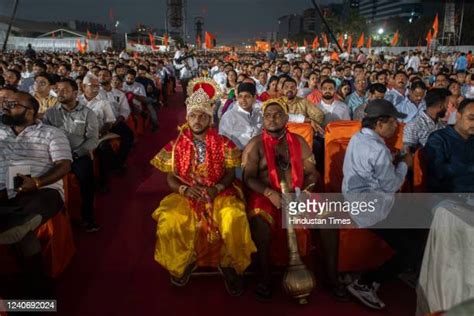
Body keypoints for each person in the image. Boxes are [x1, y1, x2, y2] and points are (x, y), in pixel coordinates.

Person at [150, 86, 256, 296]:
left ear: (210, 119)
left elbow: (228, 172)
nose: (197, 120)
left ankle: (230, 265)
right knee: (170, 219)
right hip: (187, 193)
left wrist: (217, 187)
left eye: (202, 116)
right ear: (187, 118)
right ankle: (184, 262)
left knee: (233, 217)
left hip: (220, 192)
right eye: (193, 115)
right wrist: (184, 189)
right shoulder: (176, 144)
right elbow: (170, 176)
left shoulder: (223, 142)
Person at [243, 99, 341, 300]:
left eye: (277, 114)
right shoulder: (255, 144)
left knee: (329, 216)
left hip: (298, 194)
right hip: (267, 196)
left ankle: (332, 277)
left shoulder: (299, 141)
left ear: (287, 118)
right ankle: (265, 277)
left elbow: (312, 173)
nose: (272, 118)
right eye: (268, 115)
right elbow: (249, 178)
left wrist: (304, 193)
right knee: (260, 223)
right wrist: (270, 193)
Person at [342, 99, 415, 310]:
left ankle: (405, 268)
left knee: (417, 224)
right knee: (413, 249)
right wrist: (403, 164)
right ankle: (364, 282)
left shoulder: (359, 138)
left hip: (358, 199)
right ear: (380, 123)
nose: (397, 126)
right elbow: (392, 185)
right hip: (372, 208)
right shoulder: (378, 148)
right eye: (393, 122)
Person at [0, 91, 71, 296]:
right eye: (5, 104)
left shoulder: (52, 133)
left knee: (31, 210)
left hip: (40, 190)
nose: (6, 107)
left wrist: (37, 182)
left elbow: (64, 164)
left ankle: (16, 224)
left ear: (30, 111)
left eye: (13, 104)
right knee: (24, 233)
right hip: (4, 191)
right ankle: (38, 292)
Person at [43, 78, 100, 232]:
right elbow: (44, 136)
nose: (60, 93)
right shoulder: (50, 113)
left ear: (75, 93)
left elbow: (93, 139)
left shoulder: (88, 113)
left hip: (77, 154)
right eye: (58, 90)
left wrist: (76, 154)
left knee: (86, 180)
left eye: (64, 90)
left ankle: (88, 217)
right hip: (55, 156)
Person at [425, 98, 474, 193]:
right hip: (450, 195)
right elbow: (438, 171)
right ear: (458, 116)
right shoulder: (438, 138)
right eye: (471, 118)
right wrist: (470, 168)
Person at [219, 82, 263, 149]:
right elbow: (223, 140)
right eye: (240, 96)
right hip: (236, 155)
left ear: (254, 98)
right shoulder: (229, 116)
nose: (243, 100)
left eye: (247, 96)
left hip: (259, 151)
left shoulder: (260, 112)